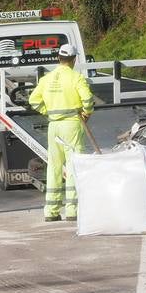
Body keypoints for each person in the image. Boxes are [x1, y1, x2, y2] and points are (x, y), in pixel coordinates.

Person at [28, 43, 95, 222]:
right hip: (72, 124)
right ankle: (72, 210)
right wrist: (86, 113)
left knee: (54, 167)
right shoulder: (76, 78)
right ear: (74, 60)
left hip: (53, 126)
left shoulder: (46, 79)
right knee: (73, 166)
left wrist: (48, 111)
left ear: (58, 58)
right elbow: (88, 99)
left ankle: (51, 210)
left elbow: (33, 100)